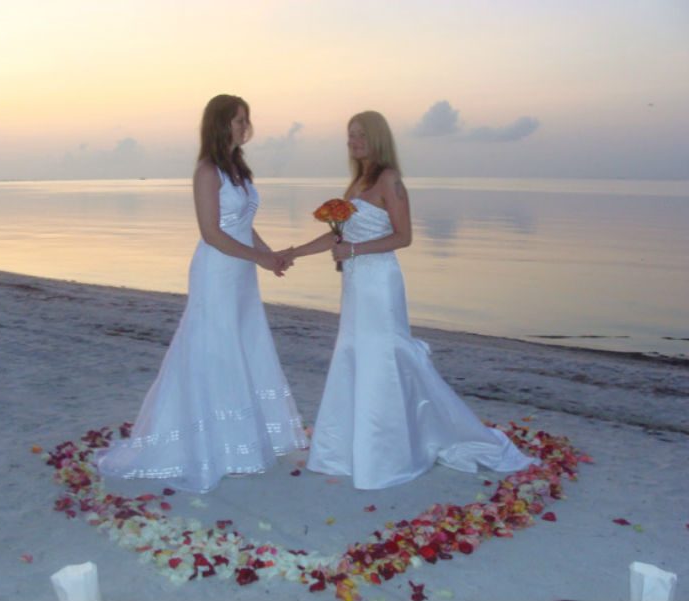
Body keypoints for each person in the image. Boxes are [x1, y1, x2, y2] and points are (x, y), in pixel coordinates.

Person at [281, 111, 535, 489]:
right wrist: (292, 253)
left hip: (379, 281)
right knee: (355, 352)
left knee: (383, 354)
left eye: (361, 135)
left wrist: (354, 250)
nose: (353, 141)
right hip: (356, 284)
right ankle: (351, 446)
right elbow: (337, 239)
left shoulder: (389, 179)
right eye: (350, 135)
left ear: (378, 138)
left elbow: (403, 237)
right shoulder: (355, 184)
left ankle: (391, 448)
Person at [97, 94, 308, 493]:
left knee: (243, 344)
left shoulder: (238, 169)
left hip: (241, 272)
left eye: (248, 119)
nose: (246, 126)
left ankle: (245, 437)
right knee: (215, 348)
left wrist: (268, 255)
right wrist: (258, 258)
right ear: (220, 124)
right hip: (217, 271)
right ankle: (216, 442)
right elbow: (212, 233)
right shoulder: (207, 171)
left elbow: (243, 223)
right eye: (239, 120)